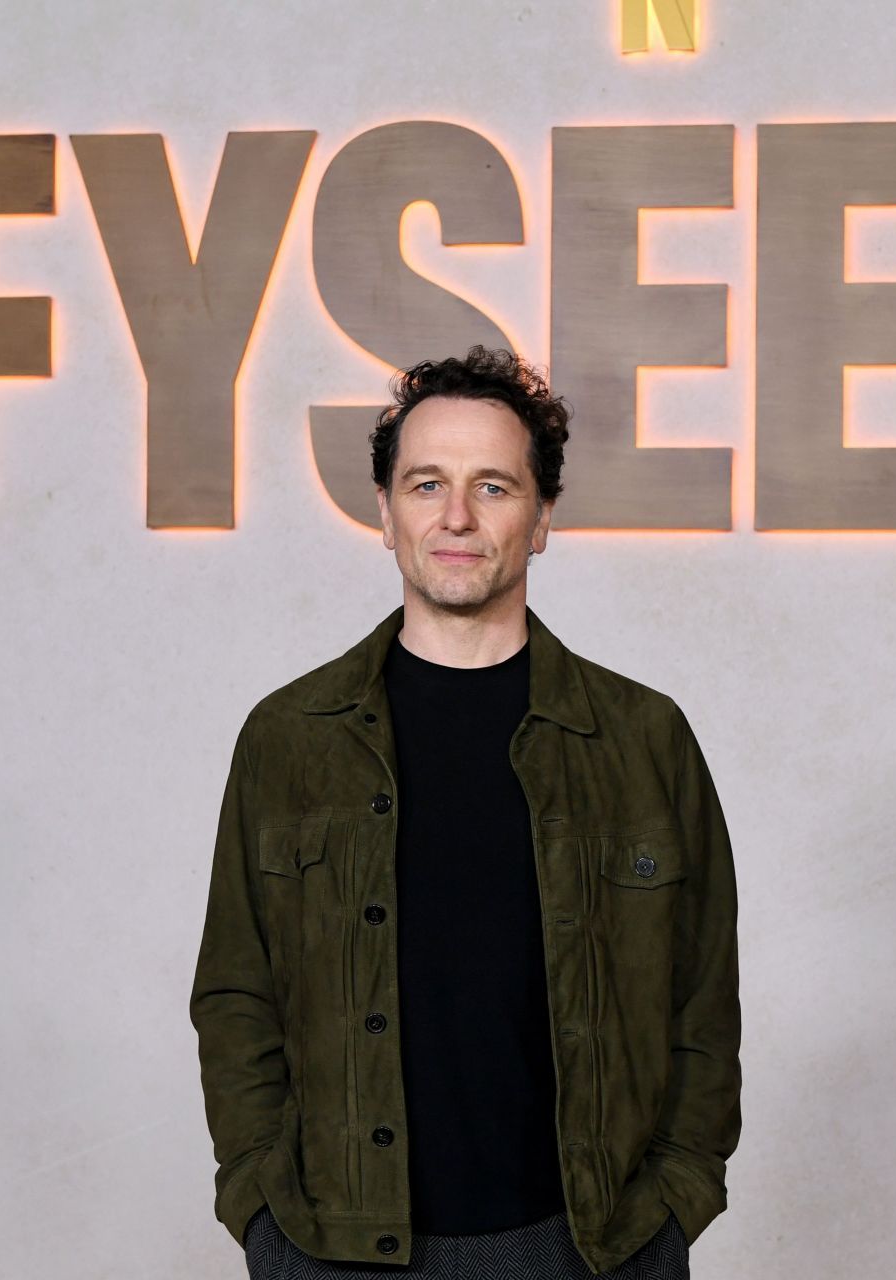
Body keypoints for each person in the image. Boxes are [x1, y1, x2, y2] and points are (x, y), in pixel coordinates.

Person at [191, 345, 741, 1278]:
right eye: (426, 484)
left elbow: (702, 1001)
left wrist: (674, 1204)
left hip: (588, 1247)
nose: (456, 516)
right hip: (334, 1248)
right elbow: (237, 994)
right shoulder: (289, 739)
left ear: (542, 517)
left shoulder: (643, 740)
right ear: (385, 513)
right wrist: (262, 1214)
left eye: (493, 486)